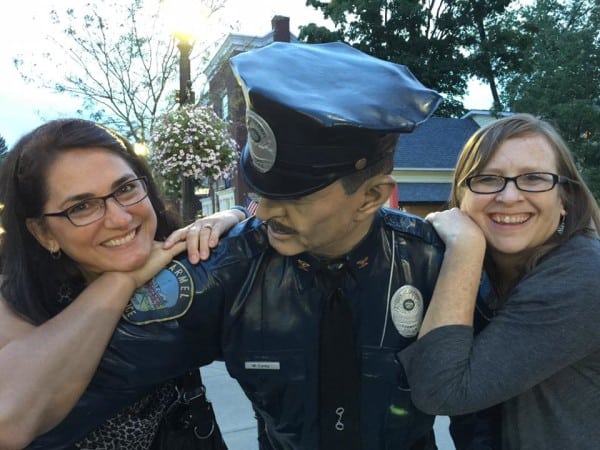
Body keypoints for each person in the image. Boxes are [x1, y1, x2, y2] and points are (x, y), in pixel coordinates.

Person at [27, 42, 492, 449]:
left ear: (371, 195)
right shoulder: (224, 269)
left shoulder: (432, 262)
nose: (265, 212)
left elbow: (484, 416)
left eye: (293, 197)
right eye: (259, 191)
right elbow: (57, 409)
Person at [0, 118, 246, 449]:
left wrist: (233, 218)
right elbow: (9, 419)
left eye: (125, 188)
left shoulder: (180, 269)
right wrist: (121, 282)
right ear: (43, 233)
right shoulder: (11, 307)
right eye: (82, 206)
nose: (120, 218)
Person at [399, 113, 600, 449]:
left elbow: (442, 391)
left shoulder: (583, 276)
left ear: (563, 199)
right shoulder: (493, 276)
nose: (509, 197)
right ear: (462, 196)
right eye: (488, 179)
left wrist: (464, 248)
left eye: (534, 178)